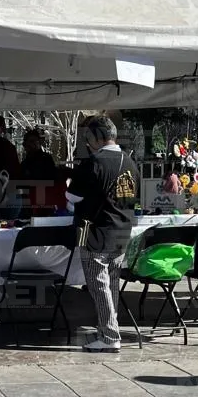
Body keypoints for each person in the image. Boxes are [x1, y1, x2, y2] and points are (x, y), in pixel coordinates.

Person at [66, 115, 140, 353]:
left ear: (97, 138)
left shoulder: (92, 163)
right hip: (123, 231)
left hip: (94, 231)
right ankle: (107, 329)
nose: (87, 143)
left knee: (98, 285)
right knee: (112, 285)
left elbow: (72, 198)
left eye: (88, 137)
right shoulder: (130, 162)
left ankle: (109, 335)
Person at [20, 127, 68, 215]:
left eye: (33, 141)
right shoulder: (25, 163)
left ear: (39, 142)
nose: (30, 145)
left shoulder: (45, 159)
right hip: (29, 202)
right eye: (28, 142)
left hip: (45, 201)